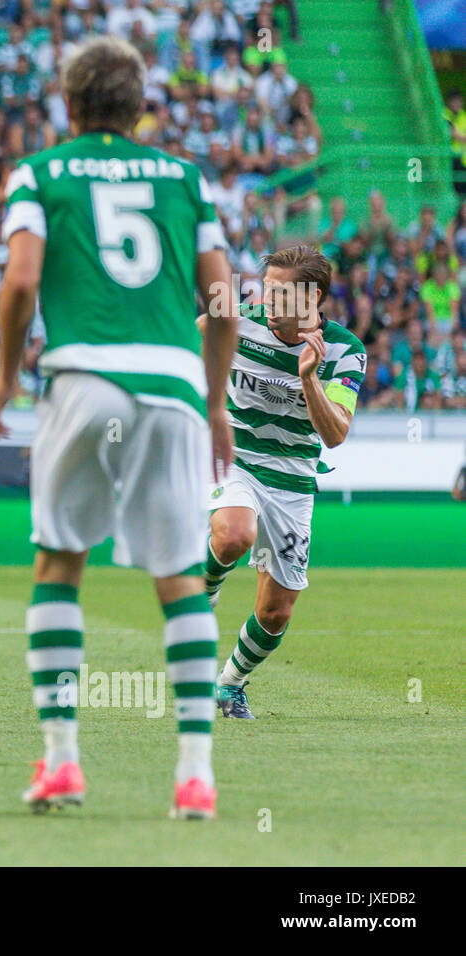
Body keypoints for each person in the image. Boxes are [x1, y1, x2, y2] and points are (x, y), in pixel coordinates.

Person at [0, 36, 238, 819]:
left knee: (60, 563)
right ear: (140, 107)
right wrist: (217, 400)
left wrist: (5, 373)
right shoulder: (185, 179)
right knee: (180, 579)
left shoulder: (40, 173)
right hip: (171, 388)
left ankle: (63, 761)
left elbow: (22, 277)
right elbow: (224, 303)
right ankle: (195, 775)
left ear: (68, 104)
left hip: (85, 379)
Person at [202, 245, 365, 718]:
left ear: (312, 299)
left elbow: (334, 434)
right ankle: (208, 584)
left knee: (276, 613)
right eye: (266, 288)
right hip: (236, 457)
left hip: (292, 481)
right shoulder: (239, 321)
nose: (267, 299)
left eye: (280, 292)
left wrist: (309, 378)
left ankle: (231, 683)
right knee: (234, 533)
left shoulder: (343, 351)